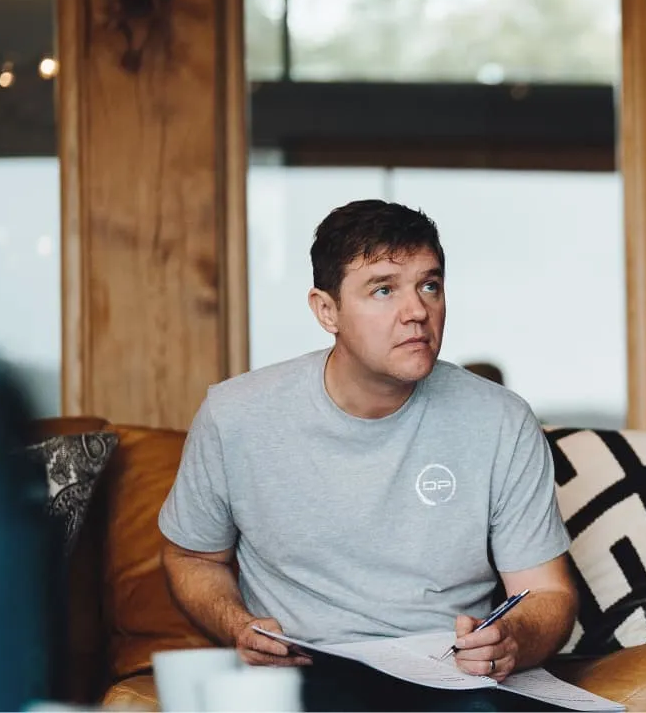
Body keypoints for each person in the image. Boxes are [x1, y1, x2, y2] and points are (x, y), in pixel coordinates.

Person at [158, 200, 577, 711]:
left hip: (447, 677)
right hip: (306, 670)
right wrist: (236, 625)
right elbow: (192, 557)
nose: (418, 311)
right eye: (383, 290)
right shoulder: (235, 415)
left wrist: (511, 640)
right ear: (326, 310)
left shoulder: (503, 420)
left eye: (430, 285)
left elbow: (547, 594)